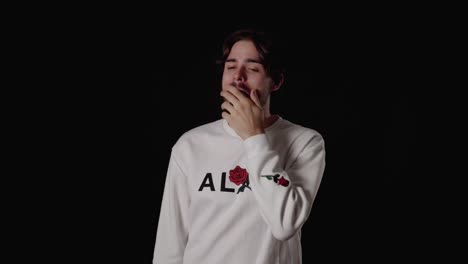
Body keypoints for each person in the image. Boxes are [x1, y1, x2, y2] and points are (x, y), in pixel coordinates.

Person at [153, 29, 326, 264]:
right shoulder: (190, 144)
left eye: (253, 69)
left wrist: (254, 136)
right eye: (231, 67)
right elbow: (170, 244)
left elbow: (285, 224)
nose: (238, 77)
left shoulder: (305, 142)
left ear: (276, 81)